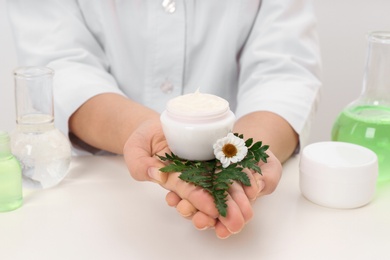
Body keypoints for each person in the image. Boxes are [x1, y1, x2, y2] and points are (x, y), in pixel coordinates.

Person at [7, 0, 321, 239]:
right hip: (91, 200)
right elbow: (60, 64)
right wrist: (149, 135)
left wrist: (246, 155)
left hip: (257, 217)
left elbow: (284, 70)